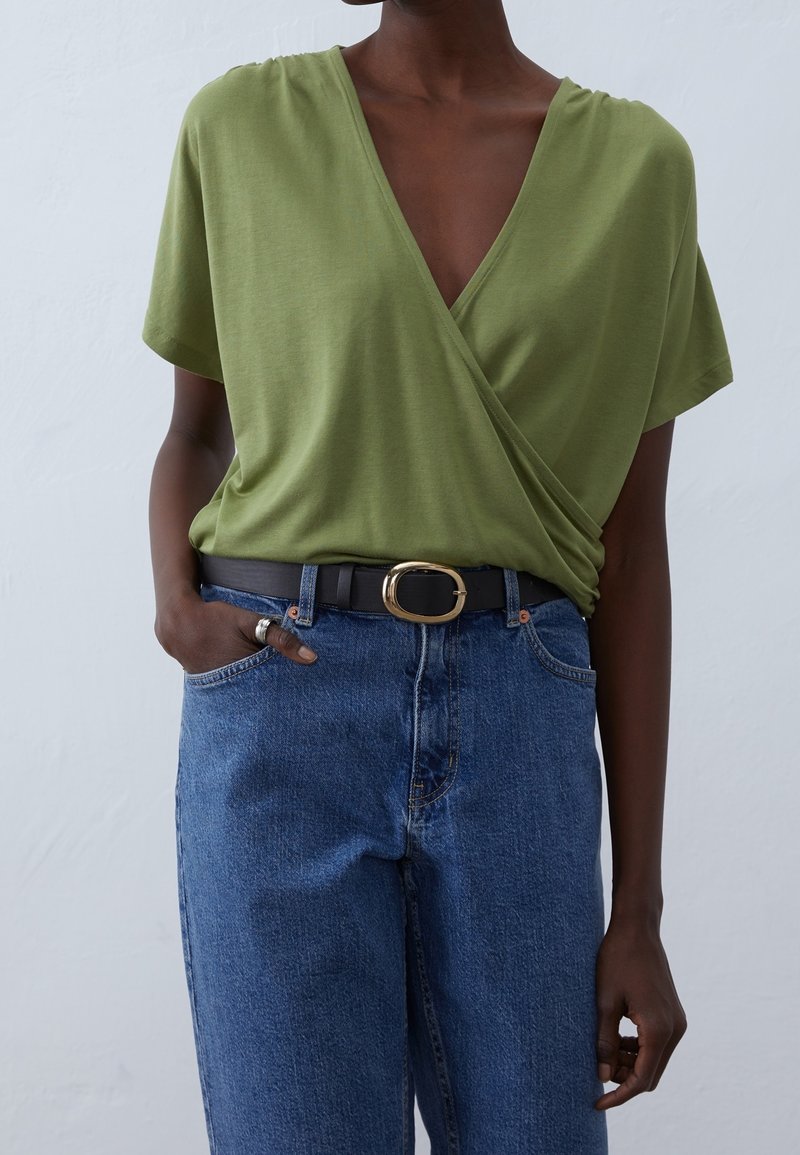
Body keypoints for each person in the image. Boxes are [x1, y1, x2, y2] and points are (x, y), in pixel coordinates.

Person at [142, 3, 733, 1152]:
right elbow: (193, 437)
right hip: (281, 702)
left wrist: (639, 908)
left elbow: (630, 538)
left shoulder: (636, 168)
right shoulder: (243, 125)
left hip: (523, 710)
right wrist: (180, 611)